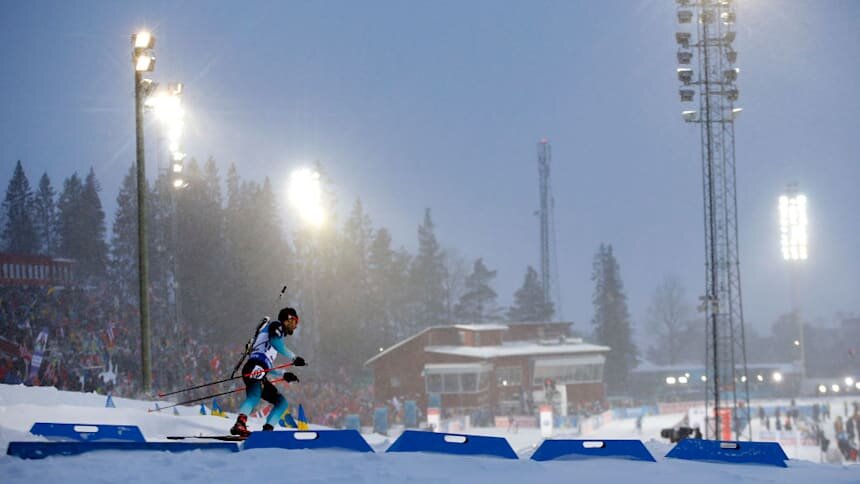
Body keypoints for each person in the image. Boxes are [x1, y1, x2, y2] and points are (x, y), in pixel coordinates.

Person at [230, 307, 306, 437]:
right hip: (254, 366)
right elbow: (275, 342)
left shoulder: (276, 337)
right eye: (295, 322)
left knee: (281, 402)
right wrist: (293, 357)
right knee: (254, 395)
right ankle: (240, 424)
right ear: (288, 319)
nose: (296, 326)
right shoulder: (277, 326)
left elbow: (266, 366)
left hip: (259, 368)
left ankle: (268, 431)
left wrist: (283, 374)